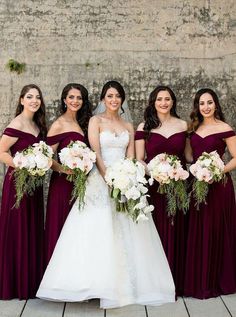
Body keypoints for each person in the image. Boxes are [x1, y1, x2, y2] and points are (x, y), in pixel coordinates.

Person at [37, 80, 175, 308]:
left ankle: (128, 285)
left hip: (124, 181)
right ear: (103, 99)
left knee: (129, 230)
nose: (113, 100)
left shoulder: (129, 126)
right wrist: (109, 179)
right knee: (95, 230)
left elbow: (131, 157)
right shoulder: (95, 121)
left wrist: (128, 178)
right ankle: (91, 284)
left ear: (122, 100)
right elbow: (96, 153)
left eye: (117, 96)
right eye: (109, 96)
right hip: (100, 181)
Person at [135, 85, 188, 296]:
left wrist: (209, 162)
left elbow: (189, 156)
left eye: (167, 99)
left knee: (177, 229)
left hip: (177, 186)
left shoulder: (183, 125)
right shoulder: (143, 126)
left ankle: (176, 280)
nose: (164, 103)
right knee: (153, 233)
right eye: (159, 99)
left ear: (173, 102)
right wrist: (156, 170)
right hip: (153, 187)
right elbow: (139, 159)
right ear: (153, 102)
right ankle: (154, 282)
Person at [184, 88, 236, 299]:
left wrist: (216, 170)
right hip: (198, 185)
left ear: (216, 105)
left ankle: (218, 279)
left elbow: (235, 158)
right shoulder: (192, 130)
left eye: (209, 102)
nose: (206, 107)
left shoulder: (224, 128)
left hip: (219, 186)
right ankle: (199, 279)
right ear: (197, 107)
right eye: (202, 103)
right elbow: (188, 156)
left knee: (216, 229)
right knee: (199, 227)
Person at [0, 84, 47, 299]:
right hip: (18, 184)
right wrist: (22, 165)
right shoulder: (17, 123)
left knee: (32, 227)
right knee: (18, 229)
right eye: (29, 97)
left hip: (33, 186)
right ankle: (15, 284)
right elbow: (1, 151)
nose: (34, 100)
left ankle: (31, 282)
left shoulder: (37, 124)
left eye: (37, 97)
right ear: (21, 100)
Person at [44, 83, 92, 265]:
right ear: (64, 100)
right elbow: (47, 159)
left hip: (81, 184)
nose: (75, 101)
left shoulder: (83, 123)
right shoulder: (59, 124)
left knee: (78, 231)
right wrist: (66, 169)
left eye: (79, 98)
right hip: (63, 185)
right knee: (62, 227)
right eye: (71, 97)